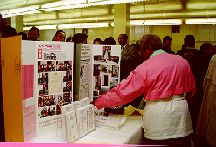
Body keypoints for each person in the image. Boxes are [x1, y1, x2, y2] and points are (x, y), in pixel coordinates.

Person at [94, 34, 196, 146]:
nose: (141, 55)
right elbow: (191, 91)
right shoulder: (182, 61)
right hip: (182, 119)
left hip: (159, 121)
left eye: (141, 51)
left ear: (147, 49)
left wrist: (99, 102)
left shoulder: (146, 67)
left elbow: (123, 93)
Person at [195, 54, 216, 146]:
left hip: (212, 88)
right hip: (212, 87)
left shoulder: (214, 57)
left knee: (211, 117)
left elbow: (208, 76)